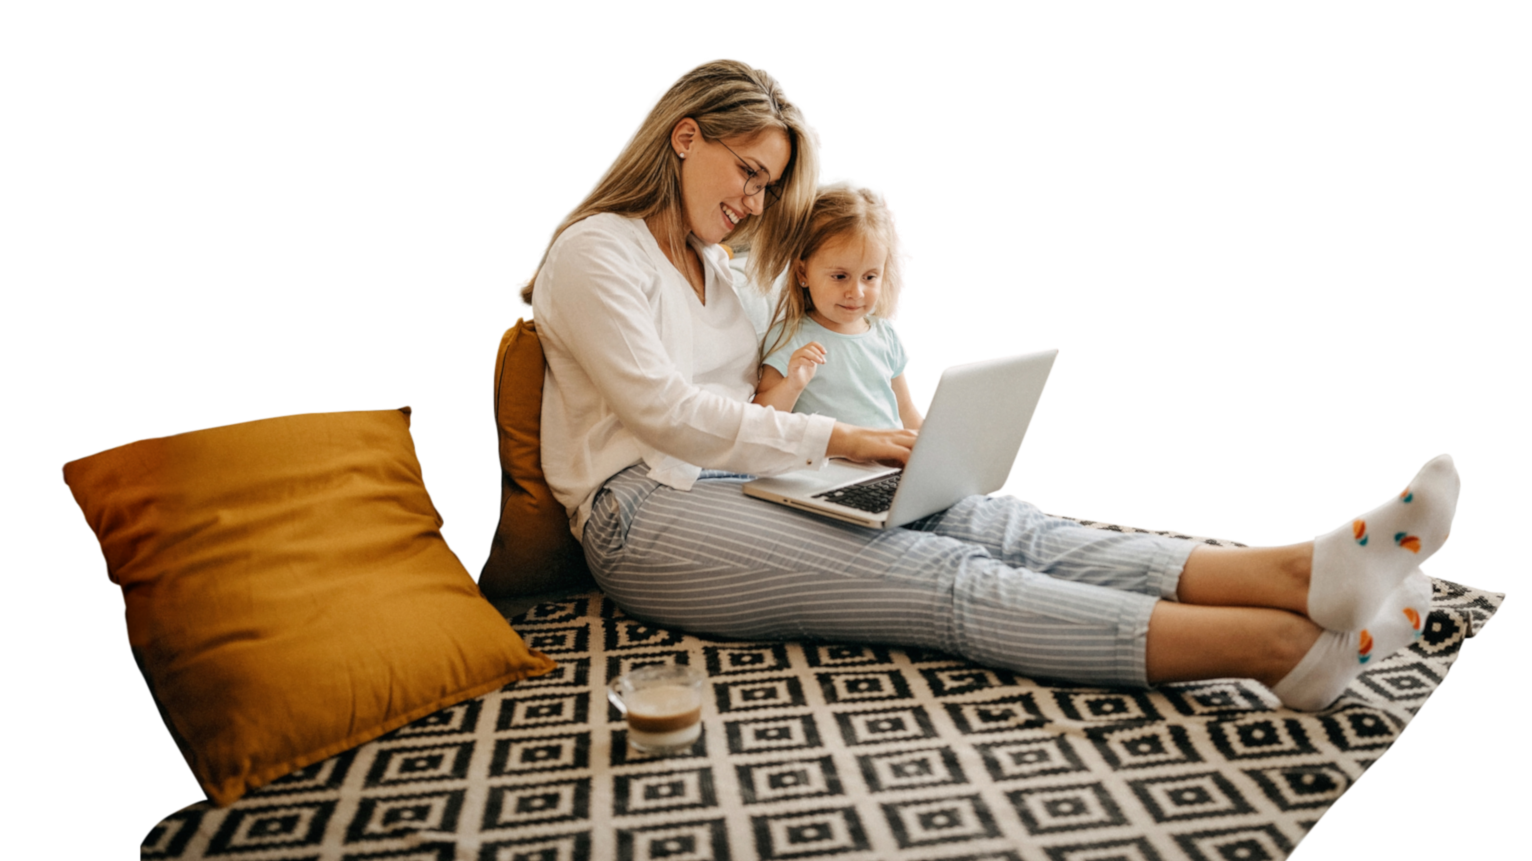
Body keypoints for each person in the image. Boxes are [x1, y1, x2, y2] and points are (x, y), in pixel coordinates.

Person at [526, 56, 1459, 712]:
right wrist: (843, 441)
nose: (755, 203)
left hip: (744, 478)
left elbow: (815, 287)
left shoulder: (715, 263)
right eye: (751, 174)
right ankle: (1284, 650)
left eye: (769, 186)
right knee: (938, 576)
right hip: (643, 513)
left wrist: (881, 429)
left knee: (997, 523)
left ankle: (1302, 574)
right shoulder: (595, 252)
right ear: (683, 136)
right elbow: (668, 415)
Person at [752, 183, 922, 431]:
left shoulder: (886, 335)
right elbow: (758, 418)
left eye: (870, 277)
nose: (856, 292)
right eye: (840, 276)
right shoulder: (790, 338)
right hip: (830, 466)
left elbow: (907, 411)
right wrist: (792, 384)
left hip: (888, 463)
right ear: (803, 272)